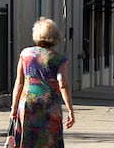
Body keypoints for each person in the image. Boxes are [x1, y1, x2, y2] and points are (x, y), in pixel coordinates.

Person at [10, 17, 75, 147]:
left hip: (28, 102)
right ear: (55, 37)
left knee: (28, 139)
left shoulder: (25, 54)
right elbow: (63, 85)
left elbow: (20, 82)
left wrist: (14, 107)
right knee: (50, 140)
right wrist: (70, 110)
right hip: (50, 104)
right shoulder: (59, 59)